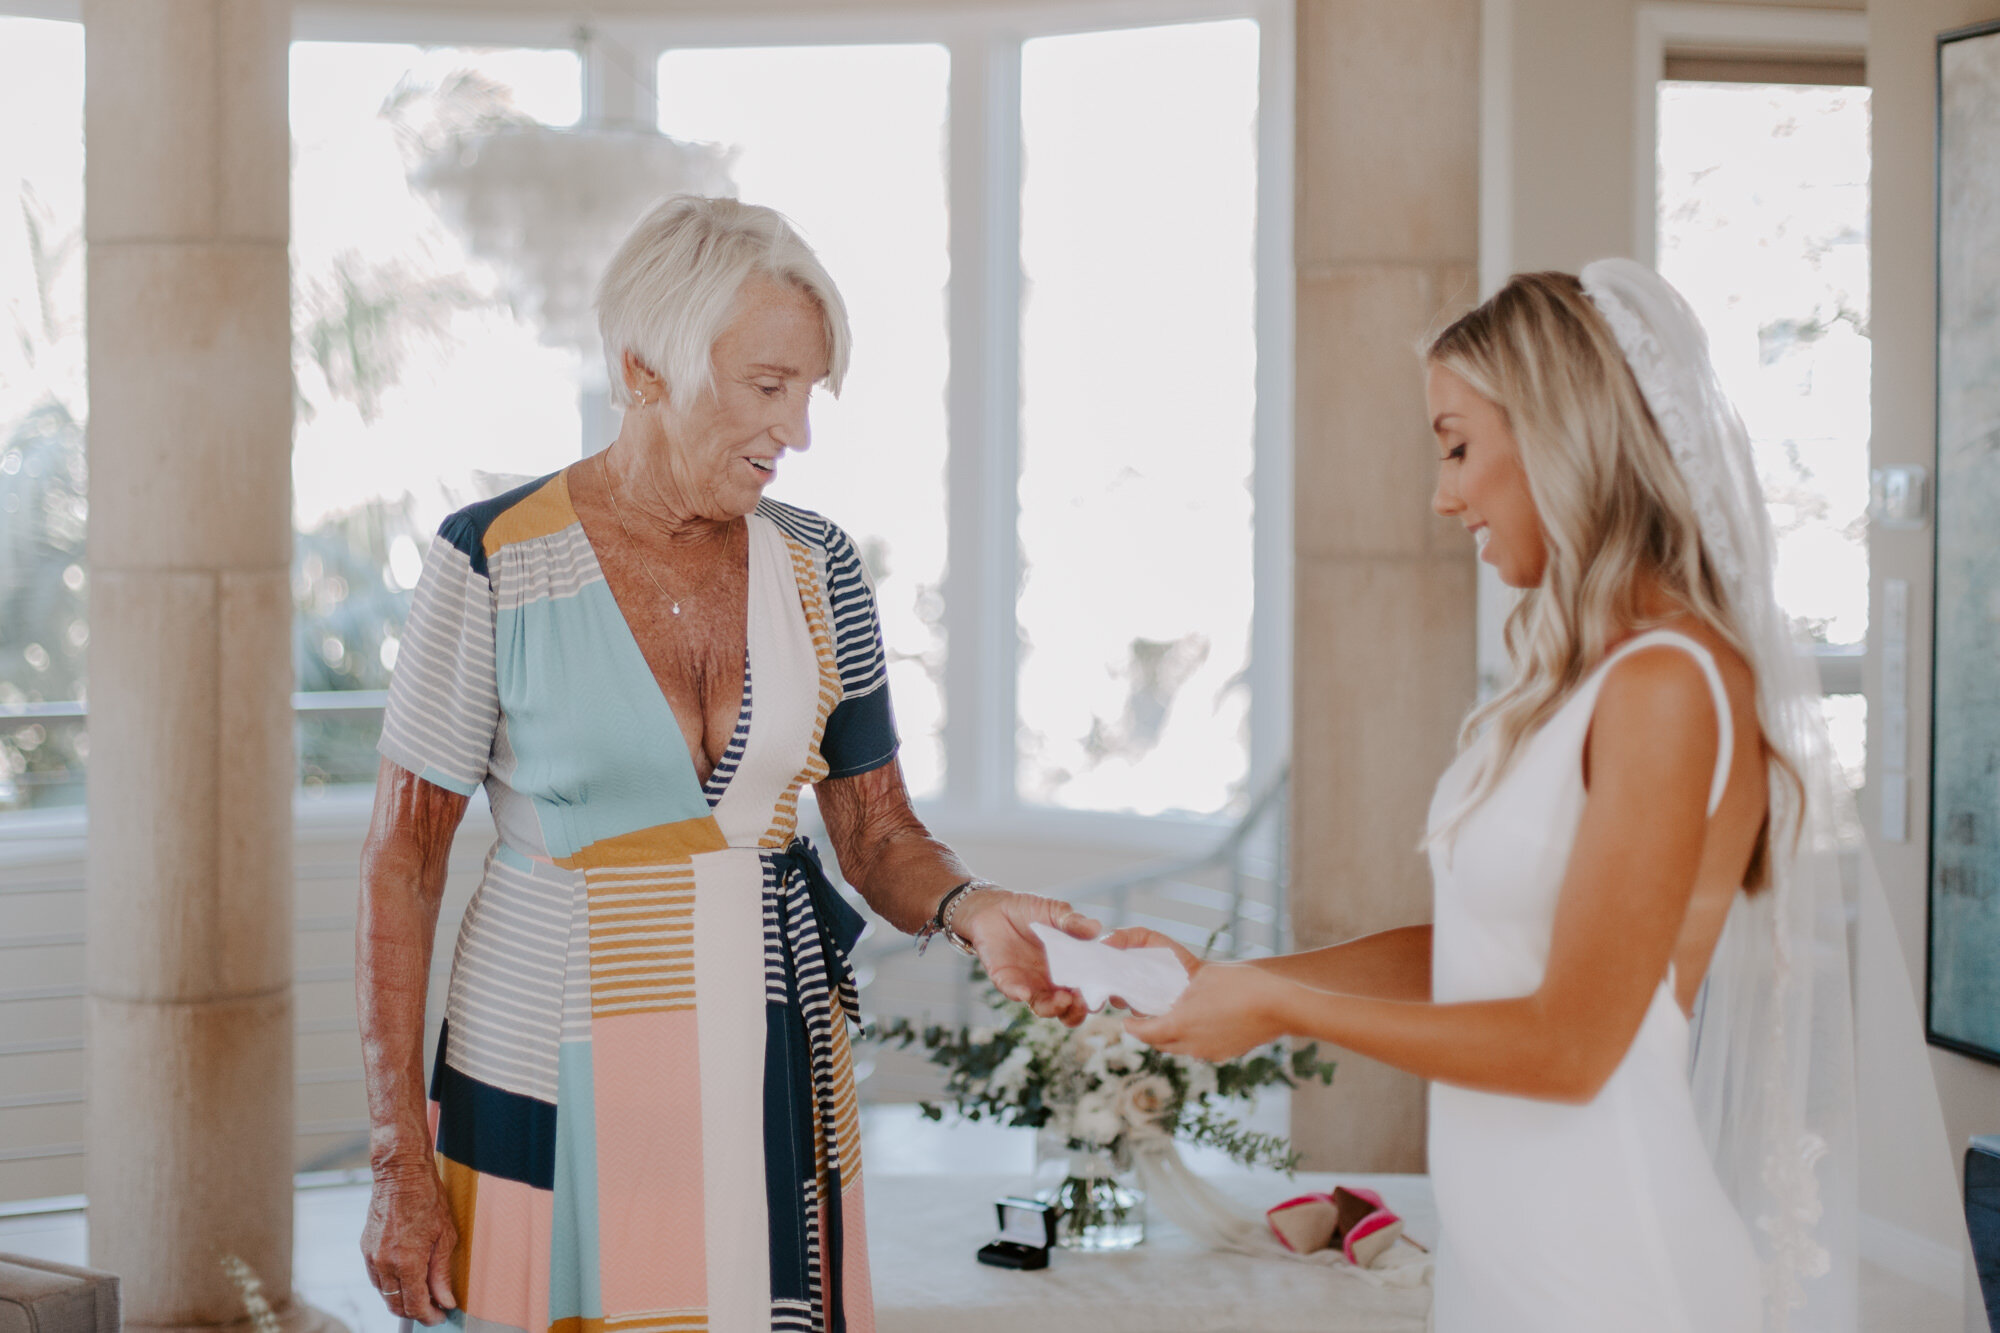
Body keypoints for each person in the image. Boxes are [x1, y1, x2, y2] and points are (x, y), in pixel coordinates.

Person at [355, 195, 1096, 1333]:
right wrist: (397, 1161)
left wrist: (971, 906)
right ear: (642, 367)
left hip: (768, 1053)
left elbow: (878, 834)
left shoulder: (820, 565)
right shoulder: (492, 559)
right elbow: (401, 865)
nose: (794, 429)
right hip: (548, 1060)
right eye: (766, 386)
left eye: (807, 391)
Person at [1115, 262, 1885, 1331]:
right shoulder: (1578, 682)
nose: (1442, 494)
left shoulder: (1669, 683)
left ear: (1560, 433)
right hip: (1514, 1270)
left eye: (1456, 445)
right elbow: (1482, 953)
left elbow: (1570, 1046)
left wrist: (1282, 1011)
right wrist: (1240, 979)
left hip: (1614, 1275)